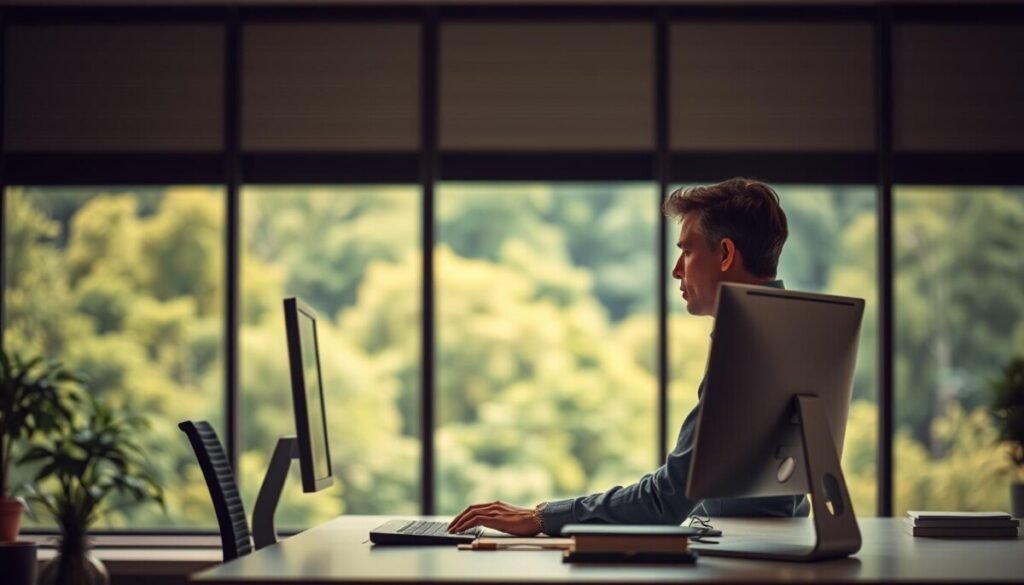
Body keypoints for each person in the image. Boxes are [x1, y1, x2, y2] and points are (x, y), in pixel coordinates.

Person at [447, 177, 810, 537]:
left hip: (747, 557)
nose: (676, 270)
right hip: (766, 541)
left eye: (687, 251)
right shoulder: (792, 330)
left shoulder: (745, 349)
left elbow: (664, 501)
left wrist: (543, 518)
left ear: (727, 254)